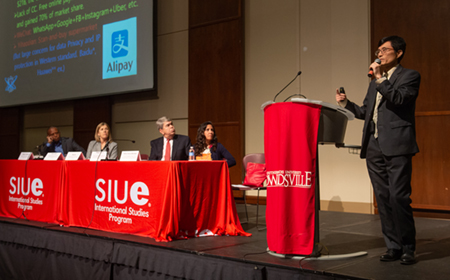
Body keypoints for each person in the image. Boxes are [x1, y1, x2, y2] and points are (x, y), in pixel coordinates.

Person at [336, 36, 420, 265]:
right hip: (373, 145)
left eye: (385, 50)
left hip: (397, 144)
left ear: (399, 53)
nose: (379, 54)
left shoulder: (410, 76)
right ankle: (393, 246)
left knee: (398, 197)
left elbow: (399, 99)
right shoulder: (375, 81)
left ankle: (408, 247)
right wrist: (346, 104)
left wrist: (380, 78)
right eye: (378, 50)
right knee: (382, 198)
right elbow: (365, 111)